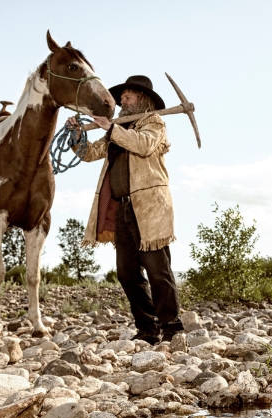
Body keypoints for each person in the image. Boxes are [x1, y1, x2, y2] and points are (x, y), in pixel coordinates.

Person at [70, 75, 182, 344]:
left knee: (158, 271)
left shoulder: (154, 124)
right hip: (122, 209)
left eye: (128, 96)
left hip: (149, 208)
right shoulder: (117, 130)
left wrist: (112, 129)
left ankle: (172, 328)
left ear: (141, 100)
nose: (122, 100)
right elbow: (89, 154)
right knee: (127, 272)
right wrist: (76, 134)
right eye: (122, 97)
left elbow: (143, 145)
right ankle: (147, 328)